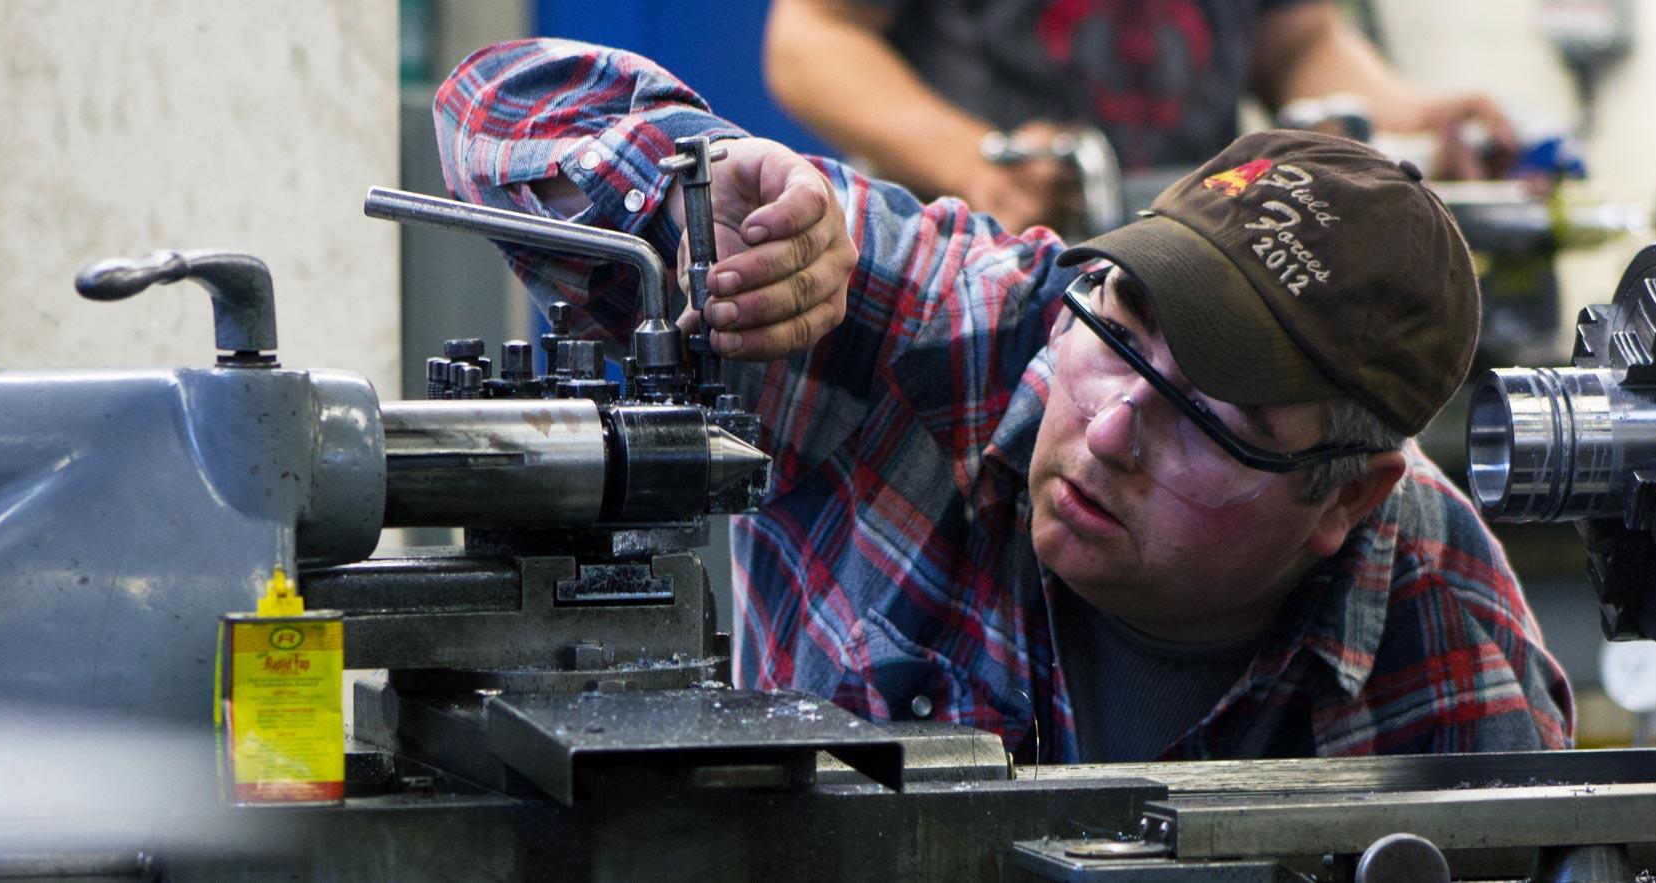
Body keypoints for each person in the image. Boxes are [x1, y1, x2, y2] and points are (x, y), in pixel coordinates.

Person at [436, 39, 1573, 761]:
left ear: (1348, 497)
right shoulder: (935, 333)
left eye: (1216, 418)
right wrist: (703, 201)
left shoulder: (1443, 626)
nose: (1114, 428)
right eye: (1121, 334)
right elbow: (493, 104)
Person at [762, 0, 1518, 230]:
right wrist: (974, 160)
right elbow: (811, 37)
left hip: (1190, 271)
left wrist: (1402, 126)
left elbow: (1295, 41)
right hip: (979, 273)